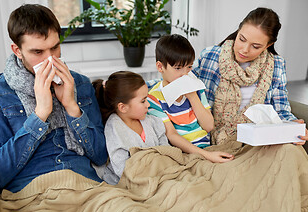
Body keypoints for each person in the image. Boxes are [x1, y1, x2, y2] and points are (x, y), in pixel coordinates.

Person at [0, 4, 108, 196]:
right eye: (38, 52)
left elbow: (100, 156)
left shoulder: (79, 84)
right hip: (32, 195)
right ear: (17, 50)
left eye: (55, 48)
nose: (50, 59)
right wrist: (40, 114)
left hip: (87, 186)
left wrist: (71, 107)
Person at [192, 7, 308, 145]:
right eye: (242, 39)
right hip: (214, 138)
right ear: (239, 30)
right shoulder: (210, 56)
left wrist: (292, 125)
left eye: (255, 46)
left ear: (268, 45)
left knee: (290, 151)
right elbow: (187, 91)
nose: (244, 50)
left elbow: (280, 108)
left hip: (256, 140)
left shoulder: (276, 65)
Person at [147, 34, 234, 163]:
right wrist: (206, 155)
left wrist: (192, 97)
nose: (184, 74)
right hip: (183, 154)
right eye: (178, 68)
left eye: (189, 67)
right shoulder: (154, 98)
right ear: (160, 67)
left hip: (208, 148)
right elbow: (172, 135)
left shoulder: (195, 87)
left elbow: (209, 126)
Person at [92, 71, 169, 185]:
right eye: (143, 101)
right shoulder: (115, 129)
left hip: (161, 173)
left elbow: (167, 151)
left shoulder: (151, 121)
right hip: (132, 181)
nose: (148, 105)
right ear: (123, 107)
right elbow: (122, 169)